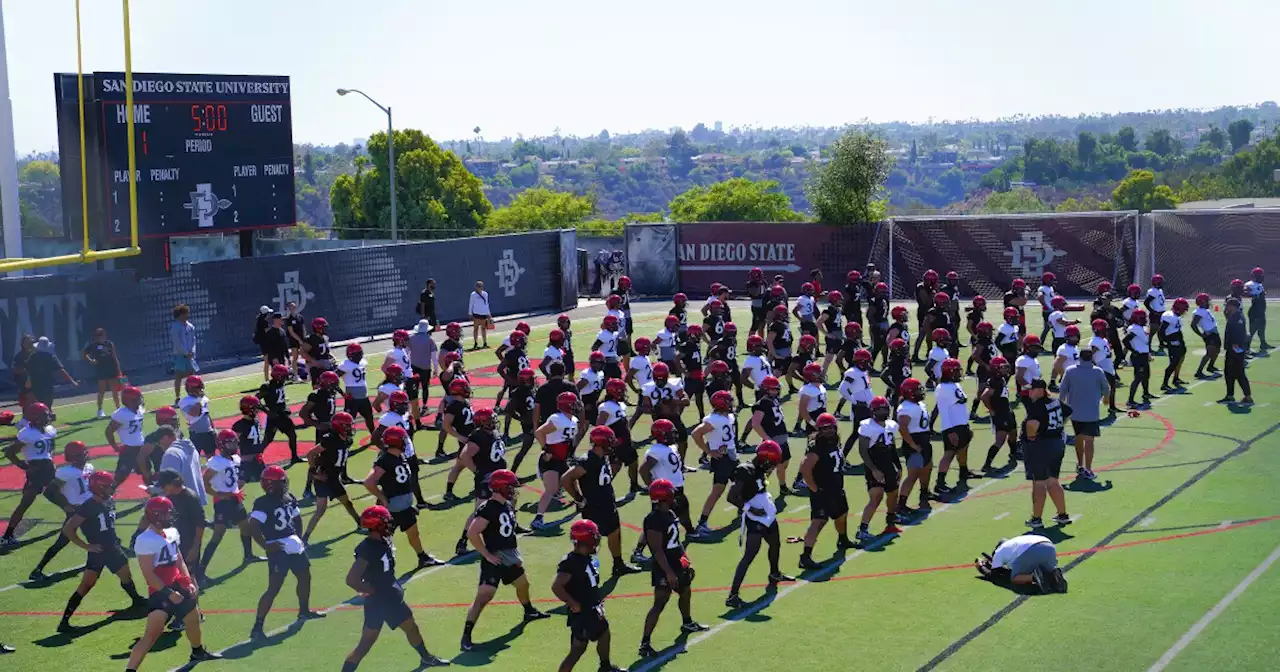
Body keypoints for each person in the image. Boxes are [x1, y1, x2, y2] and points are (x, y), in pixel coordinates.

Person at [342, 506, 451, 670]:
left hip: (390, 597)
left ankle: (426, 658)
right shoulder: (368, 548)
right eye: (385, 523)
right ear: (376, 526)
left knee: (411, 628)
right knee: (365, 644)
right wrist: (371, 590)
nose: (390, 525)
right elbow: (351, 579)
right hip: (381, 601)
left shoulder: (381, 540)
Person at [125, 496, 222, 670]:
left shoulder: (171, 532)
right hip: (160, 591)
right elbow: (149, 574)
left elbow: (179, 560)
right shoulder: (145, 540)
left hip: (178, 585)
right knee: (151, 636)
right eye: (166, 514)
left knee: (193, 618)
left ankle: (198, 651)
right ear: (155, 516)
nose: (170, 516)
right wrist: (169, 593)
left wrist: (188, 581)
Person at [462, 469, 549, 651]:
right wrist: (486, 555)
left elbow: (506, 526)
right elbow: (472, 532)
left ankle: (528, 611)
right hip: (495, 557)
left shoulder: (507, 504)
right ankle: (466, 636)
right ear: (500, 488)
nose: (513, 490)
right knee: (484, 596)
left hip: (510, 555)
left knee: (523, 584)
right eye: (509, 487)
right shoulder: (488, 508)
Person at [57, 470, 147, 632]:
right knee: (87, 585)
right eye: (107, 486)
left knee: (125, 574)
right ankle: (64, 622)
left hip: (112, 547)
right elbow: (69, 529)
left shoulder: (109, 501)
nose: (111, 488)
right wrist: (87, 546)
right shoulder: (89, 506)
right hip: (99, 551)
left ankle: (137, 601)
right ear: (98, 488)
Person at [247, 465, 324, 639]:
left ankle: (304, 610)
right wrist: (266, 545)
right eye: (281, 482)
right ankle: (257, 627)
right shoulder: (262, 503)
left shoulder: (288, 497)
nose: (285, 484)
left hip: (293, 545)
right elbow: (253, 527)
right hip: (278, 547)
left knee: (305, 576)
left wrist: (299, 539)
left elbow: (297, 519)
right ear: (270, 484)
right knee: (274, 588)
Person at [637, 478, 709, 658]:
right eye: (670, 494)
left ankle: (687, 622)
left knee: (685, 591)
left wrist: (686, 560)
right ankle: (645, 643)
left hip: (677, 562)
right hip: (665, 566)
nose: (673, 497)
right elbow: (657, 550)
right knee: (660, 603)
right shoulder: (653, 520)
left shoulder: (669, 513)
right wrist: (668, 572)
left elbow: (675, 542)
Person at [562, 426, 641, 577]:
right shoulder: (587, 461)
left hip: (606, 503)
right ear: (601, 443)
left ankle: (618, 564)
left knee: (615, 532)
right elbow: (566, 479)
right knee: (590, 541)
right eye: (609, 442)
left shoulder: (602, 457)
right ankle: (584, 571)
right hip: (595, 507)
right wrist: (579, 499)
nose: (612, 446)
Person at [724, 441, 792, 607]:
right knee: (749, 555)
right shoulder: (745, 470)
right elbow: (732, 497)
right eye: (772, 463)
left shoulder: (759, 468)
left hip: (767, 514)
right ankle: (732, 596)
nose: (773, 467)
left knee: (775, 544)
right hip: (755, 519)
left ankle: (774, 573)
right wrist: (750, 509)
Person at [364, 426, 442, 567]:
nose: (406, 442)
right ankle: (371, 567)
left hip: (404, 506)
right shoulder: (385, 460)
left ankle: (422, 557)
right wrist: (382, 497)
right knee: (382, 539)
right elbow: (369, 482)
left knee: (413, 533)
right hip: (392, 507)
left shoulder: (400, 456)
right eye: (403, 439)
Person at [552, 519, 626, 672]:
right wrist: (573, 603)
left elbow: (588, 584)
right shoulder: (571, 562)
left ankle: (605, 666)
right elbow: (556, 586)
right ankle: (604, 667)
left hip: (591, 609)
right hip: (584, 613)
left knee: (602, 635)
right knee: (578, 650)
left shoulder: (585, 557)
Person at [201, 430, 266, 570]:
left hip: (235, 500)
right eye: (231, 442)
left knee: (245, 527)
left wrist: (236, 488)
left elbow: (235, 479)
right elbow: (204, 482)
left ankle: (248, 555)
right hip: (223, 503)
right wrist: (218, 494)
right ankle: (201, 569)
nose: (235, 444)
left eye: (235, 441)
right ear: (222, 445)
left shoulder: (235, 459)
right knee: (218, 535)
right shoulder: (216, 462)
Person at [798, 413, 856, 567]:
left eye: (831, 427)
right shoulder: (816, 446)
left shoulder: (834, 440)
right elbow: (804, 468)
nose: (828, 430)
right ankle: (805, 557)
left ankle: (843, 539)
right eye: (824, 428)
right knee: (818, 522)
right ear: (819, 430)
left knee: (842, 514)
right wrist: (815, 489)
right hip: (823, 490)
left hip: (836, 487)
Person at [29, 441, 93, 580]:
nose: (85, 456)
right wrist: (65, 506)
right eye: (82, 454)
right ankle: (37, 569)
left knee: (97, 536)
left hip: (89, 508)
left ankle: (94, 562)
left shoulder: (88, 467)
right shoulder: (65, 472)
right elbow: (49, 492)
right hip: (77, 510)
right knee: (63, 541)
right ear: (73, 457)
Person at [1, 403, 61, 548]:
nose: (48, 417)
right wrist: (23, 466)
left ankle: (75, 516)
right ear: (36, 417)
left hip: (48, 469)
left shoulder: (50, 430)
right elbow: (10, 452)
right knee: (26, 503)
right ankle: (7, 535)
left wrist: (50, 461)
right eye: (44, 415)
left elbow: (50, 449)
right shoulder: (26, 433)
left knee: (59, 494)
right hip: (37, 471)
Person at [302, 412, 363, 542]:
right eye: (347, 426)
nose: (350, 428)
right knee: (320, 510)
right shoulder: (330, 439)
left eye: (350, 426)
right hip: (323, 479)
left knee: (347, 503)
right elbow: (310, 454)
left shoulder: (347, 440)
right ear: (338, 426)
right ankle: (305, 537)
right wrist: (315, 472)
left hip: (334, 478)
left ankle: (360, 523)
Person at [1021, 379, 1072, 528]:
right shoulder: (1054, 402)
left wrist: (1030, 437)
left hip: (1041, 447)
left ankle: (1036, 518)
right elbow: (1068, 412)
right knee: (1052, 480)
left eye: (1032, 389)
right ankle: (1062, 514)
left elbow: (1032, 424)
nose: (1029, 392)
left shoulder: (1037, 406)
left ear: (1041, 390)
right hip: (1057, 444)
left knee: (1039, 483)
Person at [531, 391, 584, 530]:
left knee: (572, 482)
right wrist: (546, 449)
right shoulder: (557, 418)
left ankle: (580, 503)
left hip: (562, 459)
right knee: (552, 489)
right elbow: (539, 432)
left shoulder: (573, 420)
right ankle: (538, 518)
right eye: (573, 403)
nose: (576, 406)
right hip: (551, 458)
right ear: (567, 405)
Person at [855, 398, 905, 544]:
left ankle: (891, 520)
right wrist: (874, 470)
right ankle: (862, 529)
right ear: (873, 411)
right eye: (879, 409)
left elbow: (892, 447)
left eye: (884, 409)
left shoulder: (891, 425)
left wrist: (899, 466)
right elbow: (863, 451)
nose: (882, 412)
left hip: (889, 464)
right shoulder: (867, 426)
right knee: (876, 497)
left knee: (893, 493)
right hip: (874, 464)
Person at [691, 391, 740, 537]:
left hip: (731, 456)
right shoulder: (714, 420)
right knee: (717, 491)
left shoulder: (728, 417)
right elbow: (695, 433)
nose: (732, 404)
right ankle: (702, 523)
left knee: (742, 484)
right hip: (722, 460)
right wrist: (709, 451)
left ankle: (745, 509)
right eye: (729, 402)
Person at [1058, 348, 1109, 481]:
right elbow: (1106, 388)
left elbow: (1062, 391)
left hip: (1075, 413)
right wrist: (1106, 400)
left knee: (1079, 439)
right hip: (1091, 413)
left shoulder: (1070, 371)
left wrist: (1060, 408)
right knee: (1090, 441)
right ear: (1091, 358)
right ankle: (1088, 468)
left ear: (1079, 358)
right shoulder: (1097, 371)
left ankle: (1080, 465)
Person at [154, 469, 207, 584]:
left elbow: (200, 523)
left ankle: (193, 600)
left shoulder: (190, 498)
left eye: (164, 485)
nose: (162, 488)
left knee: (189, 577)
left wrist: (195, 548)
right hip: (174, 542)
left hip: (188, 543)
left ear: (173, 483)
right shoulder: (170, 497)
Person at [974, 534, 1067, 594]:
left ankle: (1036, 577)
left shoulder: (999, 552)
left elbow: (993, 576)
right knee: (1037, 568)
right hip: (1049, 546)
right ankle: (1052, 575)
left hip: (1030, 550)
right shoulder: (1013, 544)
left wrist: (981, 567)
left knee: (1015, 578)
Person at [895, 379, 933, 516]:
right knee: (913, 474)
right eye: (917, 390)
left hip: (923, 440)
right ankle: (901, 504)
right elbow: (903, 428)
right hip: (915, 442)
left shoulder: (918, 404)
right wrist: (912, 445)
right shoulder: (905, 408)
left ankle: (924, 494)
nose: (920, 392)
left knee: (927, 468)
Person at [107, 386, 147, 486]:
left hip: (141, 447)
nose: (140, 400)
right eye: (137, 398)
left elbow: (142, 404)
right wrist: (115, 446)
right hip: (129, 449)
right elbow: (108, 431)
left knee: (146, 472)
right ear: (130, 401)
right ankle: (108, 495)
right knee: (120, 476)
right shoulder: (121, 414)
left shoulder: (139, 410)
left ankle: (154, 494)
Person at [27, 337, 78, 413]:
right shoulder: (51, 357)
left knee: (37, 405)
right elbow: (61, 370)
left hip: (35, 384)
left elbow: (28, 371)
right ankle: (46, 420)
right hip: (47, 384)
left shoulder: (32, 357)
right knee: (47, 405)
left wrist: (28, 382)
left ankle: (39, 420)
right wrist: (72, 381)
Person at [83, 327, 123, 417]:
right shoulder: (93, 345)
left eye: (101, 335)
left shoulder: (109, 344)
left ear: (104, 335)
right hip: (101, 370)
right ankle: (100, 410)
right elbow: (84, 353)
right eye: (97, 335)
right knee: (101, 391)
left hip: (112, 370)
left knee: (115, 391)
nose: (99, 337)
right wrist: (91, 360)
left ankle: (118, 409)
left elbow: (114, 357)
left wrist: (119, 370)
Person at [1221, 297, 1253, 405]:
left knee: (1238, 373)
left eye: (1227, 305)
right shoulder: (1236, 316)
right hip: (1235, 348)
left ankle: (1247, 396)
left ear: (1232, 306)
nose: (1226, 307)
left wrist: (1235, 345)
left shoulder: (1236, 317)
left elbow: (1238, 333)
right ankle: (1230, 395)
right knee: (1230, 372)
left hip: (1235, 349)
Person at [409, 320, 439, 429]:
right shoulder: (430, 340)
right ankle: (424, 406)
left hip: (413, 366)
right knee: (425, 387)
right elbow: (434, 357)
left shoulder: (411, 338)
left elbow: (407, 353)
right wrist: (436, 368)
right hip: (425, 368)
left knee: (413, 388)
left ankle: (413, 408)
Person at [179, 375, 216, 457]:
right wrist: (199, 399)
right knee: (194, 458)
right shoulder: (185, 401)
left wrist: (213, 428)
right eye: (199, 387)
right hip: (196, 434)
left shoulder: (204, 398)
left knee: (212, 457)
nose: (201, 389)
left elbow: (206, 414)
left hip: (208, 432)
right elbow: (193, 413)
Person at [1123, 309, 1153, 408]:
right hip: (1138, 356)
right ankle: (1130, 400)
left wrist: (1148, 353)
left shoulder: (1142, 328)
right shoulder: (1134, 328)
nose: (1145, 320)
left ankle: (1146, 393)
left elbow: (1144, 342)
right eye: (1143, 318)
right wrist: (1134, 351)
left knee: (1146, 375)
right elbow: (1125, 341)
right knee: (1138, 378)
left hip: (1143, 355)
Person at [1159, 297, 1191, 391]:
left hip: (1178, 339)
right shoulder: (1169, 316)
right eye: (1183, 309)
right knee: (1173, 363)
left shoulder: (1175, 316)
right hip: (1173, 341)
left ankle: (1176, 379)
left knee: (1180, 358)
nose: (1184, 311)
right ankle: (1164, 384)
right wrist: (1164, 342)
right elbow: (1161, 331)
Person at [169, 304, 198, 402]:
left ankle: (192, 395)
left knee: (192, 376)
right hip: (180, 355)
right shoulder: (175, 326)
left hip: (190, 356)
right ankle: (177, 397)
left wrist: (192, 351)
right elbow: (177, 342)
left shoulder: (191, 326)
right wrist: (185, 353)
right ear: (180, 314)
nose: (187, 315)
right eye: (185, 313)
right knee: (179, 376)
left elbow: (194, 340)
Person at [1191, 293, 1221, 378]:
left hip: (1214, 333)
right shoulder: (1199, 312)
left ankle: (1211, 366)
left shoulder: (1205, 311)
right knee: (1209, 353)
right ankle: (1199, 371)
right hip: (1209, 334)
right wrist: (1201, 335)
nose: (1209, 303)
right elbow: (1193, 325)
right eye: (1207, 301)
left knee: (1217, 351)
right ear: (1203, 302)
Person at [1244, 266, 1269, 352]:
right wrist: (1255, 295)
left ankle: (1263, 344)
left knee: (1261, 328)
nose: (1262, 277)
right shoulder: (1250, 284)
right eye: (1260, 275)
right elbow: (1244, 293)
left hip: (1261, 310)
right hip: (1255, 310)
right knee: (1252, 330)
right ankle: (1246, 347)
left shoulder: (1259, 284)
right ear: (1256, 276)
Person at [469, 281, 492, 349]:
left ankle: (485, 342)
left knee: (483, 328)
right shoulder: (473, 294)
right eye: (478, 286)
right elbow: (471, 304)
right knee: (476, 328)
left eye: (481, 286)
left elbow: (486, 304)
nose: (480, 288)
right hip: (476, 314)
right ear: (476, 287)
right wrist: (470, 313)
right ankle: (475, 343)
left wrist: (488, 314)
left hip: (483, 314)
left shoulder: (485, 294)